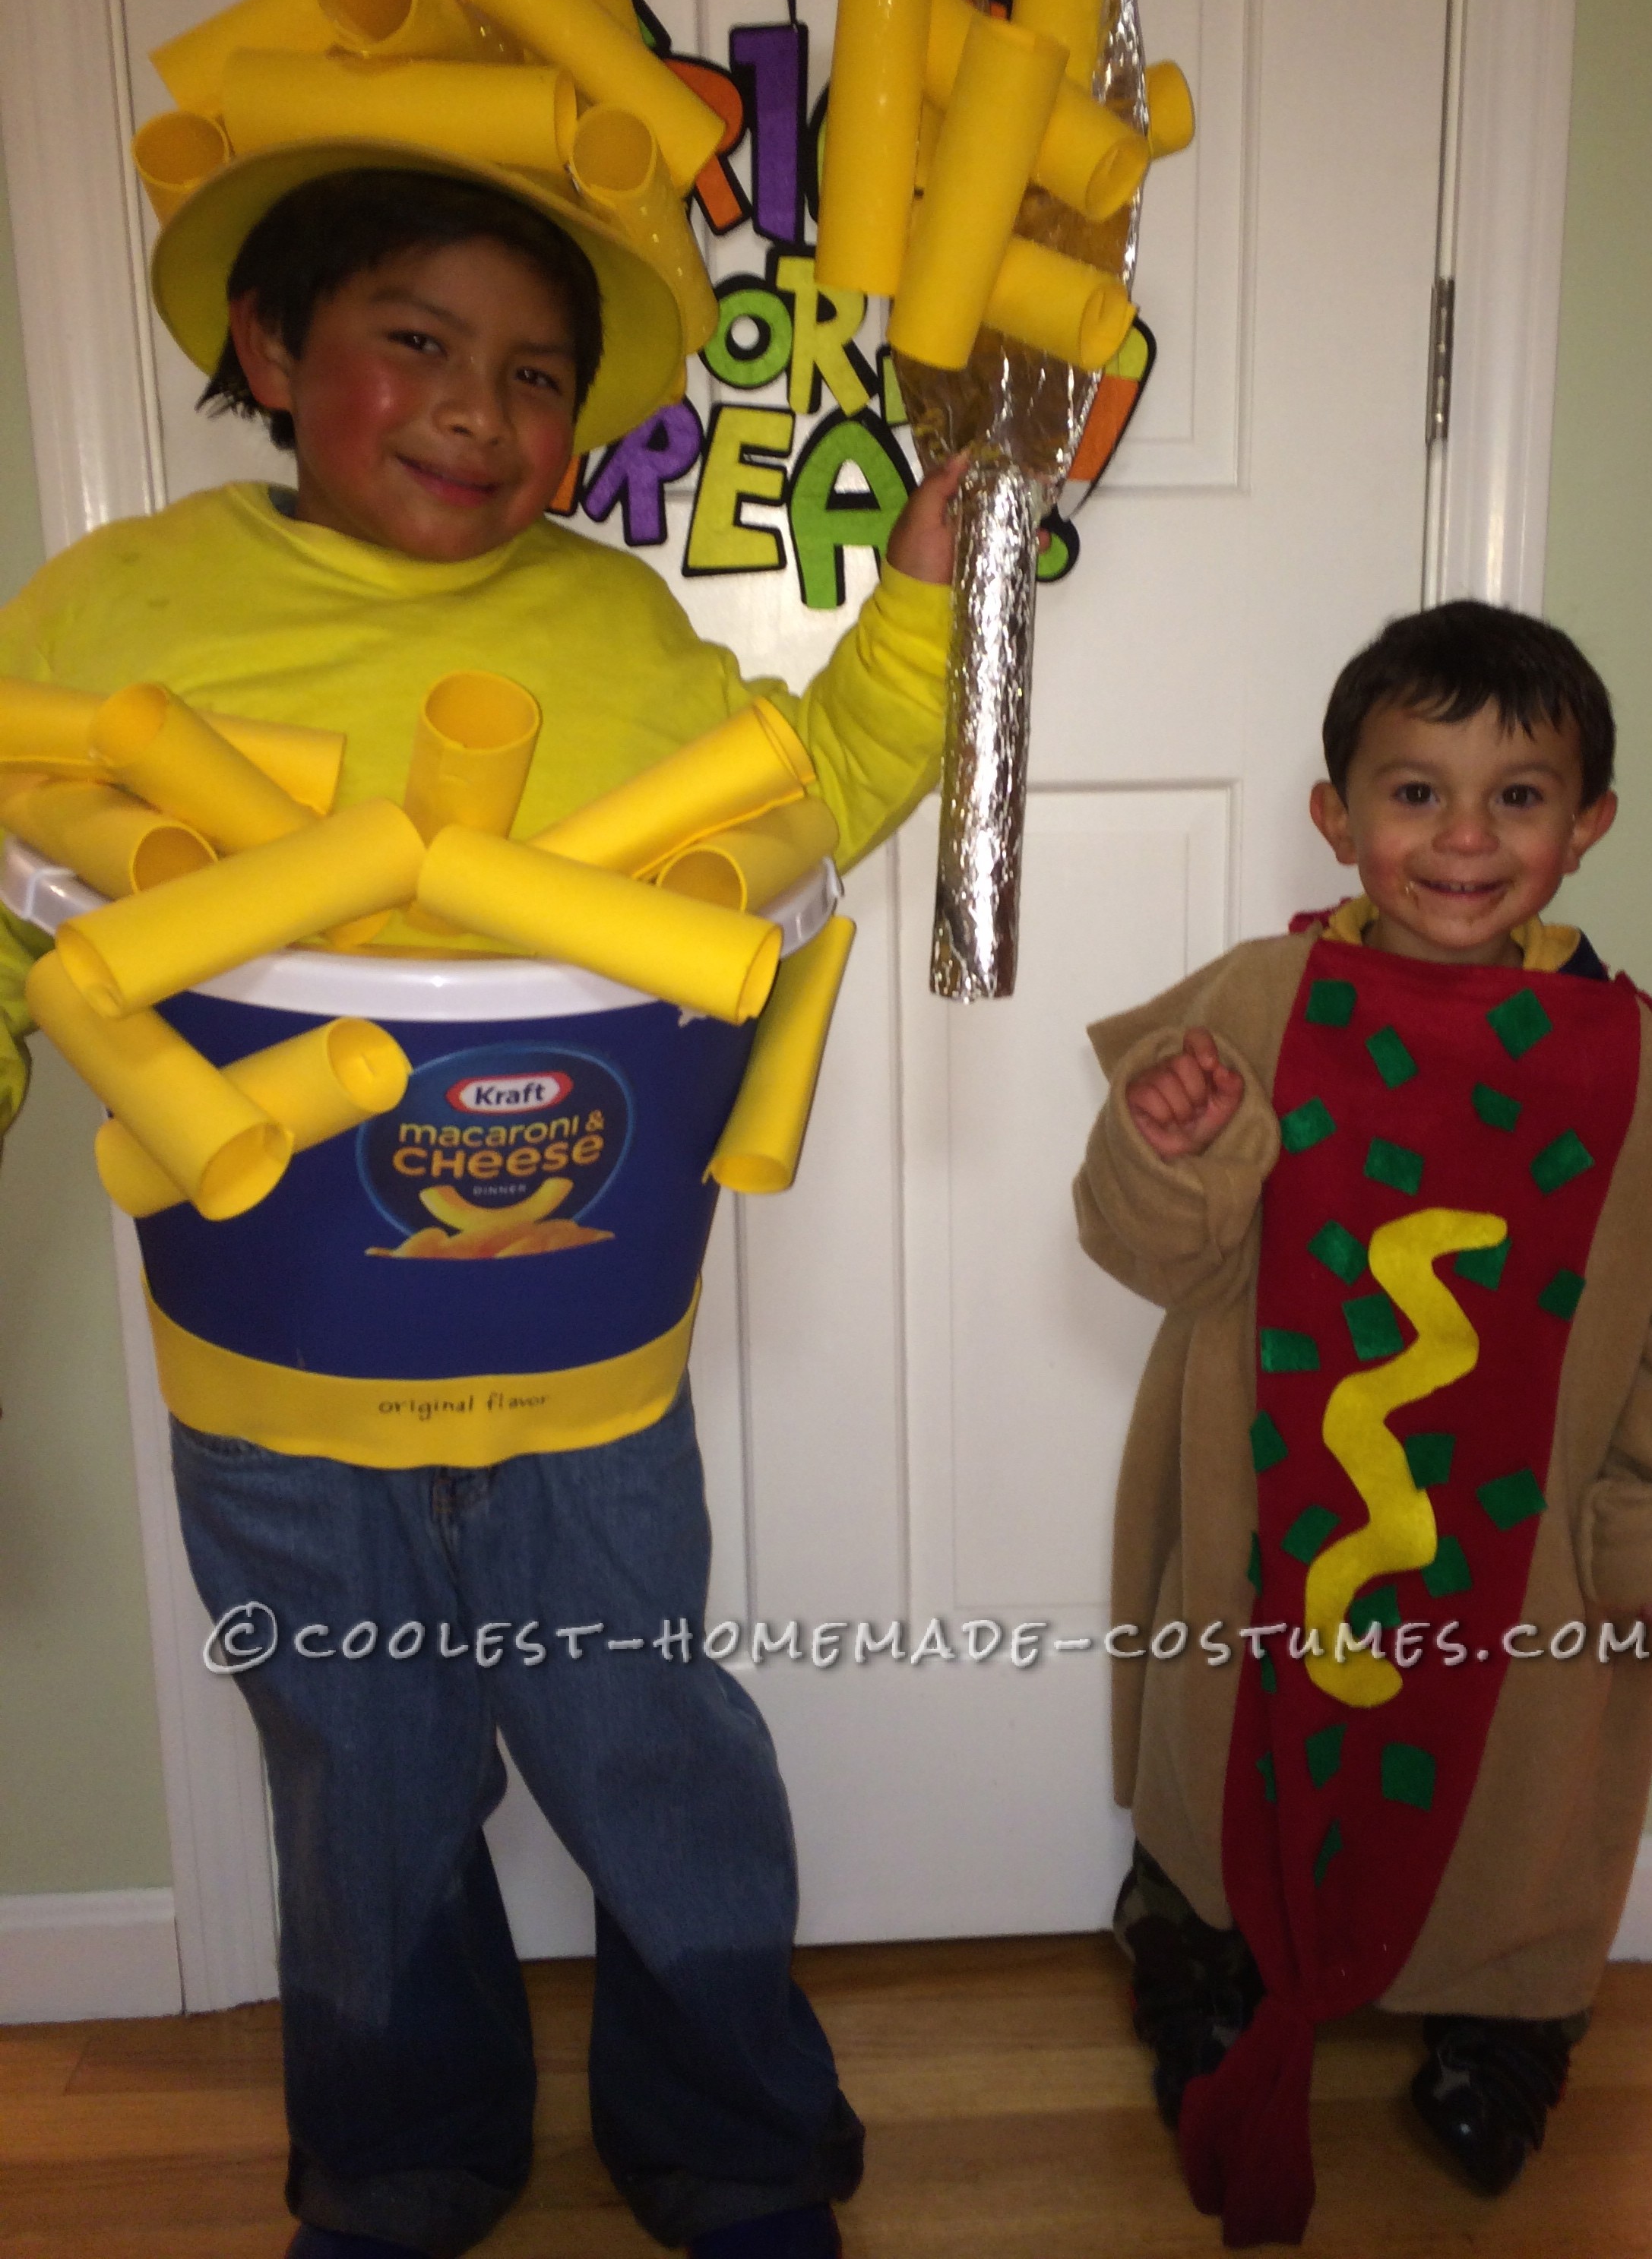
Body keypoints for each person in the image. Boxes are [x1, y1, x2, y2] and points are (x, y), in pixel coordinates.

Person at [0, 145, 964, 2259]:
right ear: (271, 346)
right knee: (359, 1771)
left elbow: (806, 797)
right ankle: (401, 2146)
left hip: (582, 1345)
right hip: (272, 1361)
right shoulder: (114, 612)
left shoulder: (609, 619)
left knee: (645, 1739)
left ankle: (730, 2133)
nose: (477, 411)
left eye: (536, 375)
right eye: (414, 345)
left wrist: (922, 578)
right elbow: (26, 906)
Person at [1074, 600, 1652, 2248]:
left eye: (1519, 796)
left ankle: (1511, 2012)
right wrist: (1172, 1146)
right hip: (1278, 1504)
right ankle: (1197, 1937)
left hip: (1523, 1541)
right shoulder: (1259, 1001)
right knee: (1227, 1741)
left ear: (1588, 827)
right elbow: (1147, 1252)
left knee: (1529, 1796)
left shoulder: (1639, 1064)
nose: (1464, 839)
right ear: (1338, 815)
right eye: (1415, 793)